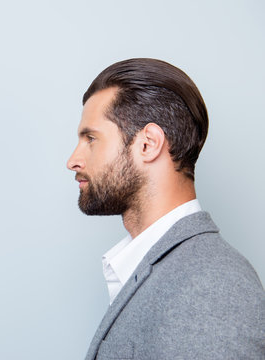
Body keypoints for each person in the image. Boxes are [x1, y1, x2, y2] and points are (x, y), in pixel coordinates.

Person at [67, 58, 265, 359]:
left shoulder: (211, 286)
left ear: (148, 144)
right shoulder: (166, 269)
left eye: (91, 139)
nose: (73, 160)